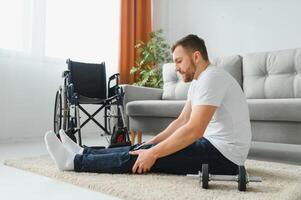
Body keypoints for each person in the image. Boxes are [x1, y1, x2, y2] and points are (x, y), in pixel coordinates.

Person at [45, 34, 251, 175]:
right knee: (142, 148)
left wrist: (153, 153)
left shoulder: (212, 78)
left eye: (179, 61)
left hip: (226, 157)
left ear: (196, 56)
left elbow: (194, 129)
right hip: (213, 146)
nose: (176, 68)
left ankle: (73, 162)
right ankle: (83, 152)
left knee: (146, 157)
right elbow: (182, 120)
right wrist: (152, 144)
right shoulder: (199, 82)